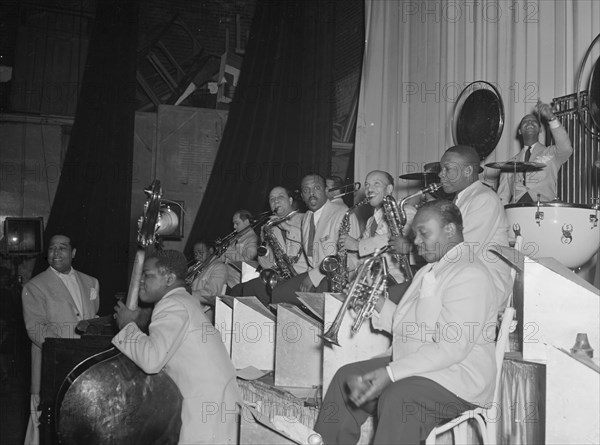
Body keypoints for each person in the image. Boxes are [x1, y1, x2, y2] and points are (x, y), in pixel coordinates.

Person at [314, 200, 497, 444]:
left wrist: (389, 373)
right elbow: (410, 325)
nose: (417, 241)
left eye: (424, 233)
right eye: (415, 234)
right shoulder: (429, 269)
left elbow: (451, 348)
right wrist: (376, 301)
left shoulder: (469, 273)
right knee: (347, 379)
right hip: (422, 365)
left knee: (400, 396)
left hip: (457, 377)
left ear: (450, 230)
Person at [113, 250, 241, 444]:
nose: (140, 282)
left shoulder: (172, 304)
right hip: (216, 401)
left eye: (147, 275)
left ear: (169, 278)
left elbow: (152, 360)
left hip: (207, 407)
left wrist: (127, 328)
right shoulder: (184, 300)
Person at [391, 145, 512, 312]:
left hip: (481, 290)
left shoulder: (484, 199)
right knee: (392, 296)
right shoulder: (462, 198)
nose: (440, 174)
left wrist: (410, 247)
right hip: (459, 281)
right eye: (441, 169)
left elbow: (462, 251)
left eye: (447, 169)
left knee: (395, 300)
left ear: (468, 171)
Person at [22, 234, 100, 445]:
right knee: (47, 429)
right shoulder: (34, 286)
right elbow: (36, 328)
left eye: (62, 248)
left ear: (73, 253)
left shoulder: (91, 282)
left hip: (85, 370)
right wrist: (68, 352)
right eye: (52, 248)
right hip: (52, 367)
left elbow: (91, 321)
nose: (56, 253)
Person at [271, 174, 360, 304]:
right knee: (279, 293)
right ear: (302, 196)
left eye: (316, 188)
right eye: (306, 190)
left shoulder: (343, 214)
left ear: (325, 191)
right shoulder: (307, 217)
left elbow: (353, 259)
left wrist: (314, 276)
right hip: (313, 275)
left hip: (338, 279)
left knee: (319, 300)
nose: (311, 194)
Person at [229, 186, 307, 306]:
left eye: (280, 197)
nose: (276, 201)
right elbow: (267, 266)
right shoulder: (268, 227)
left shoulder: (305, 219)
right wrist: (264, 253)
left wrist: (286, 227)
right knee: (237, 290)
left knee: (253, 288)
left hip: (302, 275)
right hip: (281, 277)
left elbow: (309, 243)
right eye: (272, 199)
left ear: (290, 200)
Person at [498, 100, 573, 204]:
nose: (529, 123)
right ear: (519, 131)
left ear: (540, 130)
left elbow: (566, 148)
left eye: (534, 121)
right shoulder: (508, 165)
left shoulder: (551, 153)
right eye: (525, 122)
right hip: (517, 215)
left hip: (544, 213)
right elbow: (502, 199)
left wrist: (551, 118)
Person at [339, 170, 407, 285]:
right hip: (373, 279)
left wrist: (356, 245)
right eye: (367, 185)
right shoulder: (371, 221)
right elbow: (363, 254)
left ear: (389, 189)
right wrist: (342, 264)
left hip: (395, 281)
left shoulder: (404, 211)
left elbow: (396, 238)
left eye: (376, 184)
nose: (369, 189)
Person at [189, 240, 228, 315]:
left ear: (210, 251)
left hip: (204, 312)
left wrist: (187, 292)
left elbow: (211, 294)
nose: (197, 256)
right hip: (190, 307)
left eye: (200, 253)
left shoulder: (220, 267)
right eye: (195, 254)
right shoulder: (193, 268)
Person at [222, 209, 259, 289]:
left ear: (246, 222)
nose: (234, 226)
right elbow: (225, 259)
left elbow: (246, 262)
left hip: (235, 284)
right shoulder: (235, 238)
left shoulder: (253, 239)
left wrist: (227, 249)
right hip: (225, 280)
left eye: (237, 223)